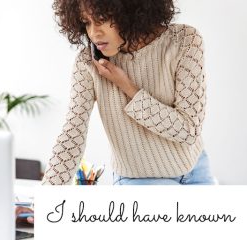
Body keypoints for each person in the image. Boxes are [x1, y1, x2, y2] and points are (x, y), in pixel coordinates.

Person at [41, 0, 215, 186]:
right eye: (86, 22)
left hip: (196, 169)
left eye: (102, 19)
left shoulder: (184, 41)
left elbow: (188, 131)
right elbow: (72, 133)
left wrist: (126, 86)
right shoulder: (87, 64)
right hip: (140, 180)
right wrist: (45, 200)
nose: (93, 33)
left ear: (130, 11)